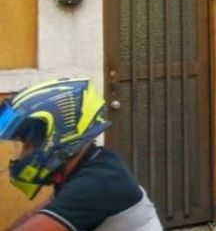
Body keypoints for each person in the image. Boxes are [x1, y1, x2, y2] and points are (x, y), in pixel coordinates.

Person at [0, 78, 162, 230]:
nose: (21, 156)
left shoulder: (96, 184)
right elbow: (43, 214)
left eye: (27, 146)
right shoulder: (92, 164)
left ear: (56, 138)